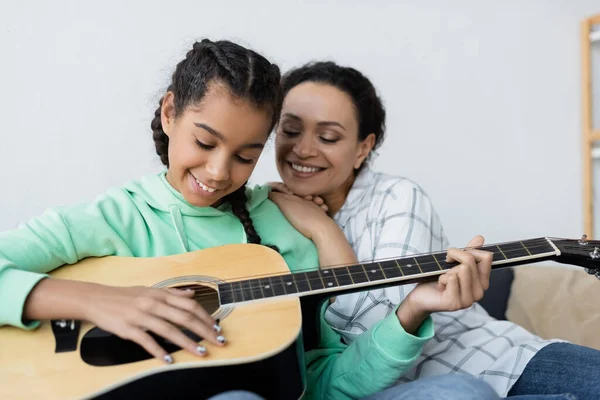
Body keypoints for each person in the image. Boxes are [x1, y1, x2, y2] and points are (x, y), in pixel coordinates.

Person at [0, 39, 499, 399]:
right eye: (205, 141)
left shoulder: (281, 231)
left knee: (463, 390)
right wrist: (104, 302)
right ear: (170, 112)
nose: (219, 172)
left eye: (245, 155)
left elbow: (319, 382)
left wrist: (412, 312)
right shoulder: (110, 217)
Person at [271, 61, 596, 399]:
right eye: (291, 131)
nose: (303, 149)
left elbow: (377, 324)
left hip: (494, 362)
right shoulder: (266, 213)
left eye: (327, 137)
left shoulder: (397, 196)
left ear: (362, 149)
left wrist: (322, 227)